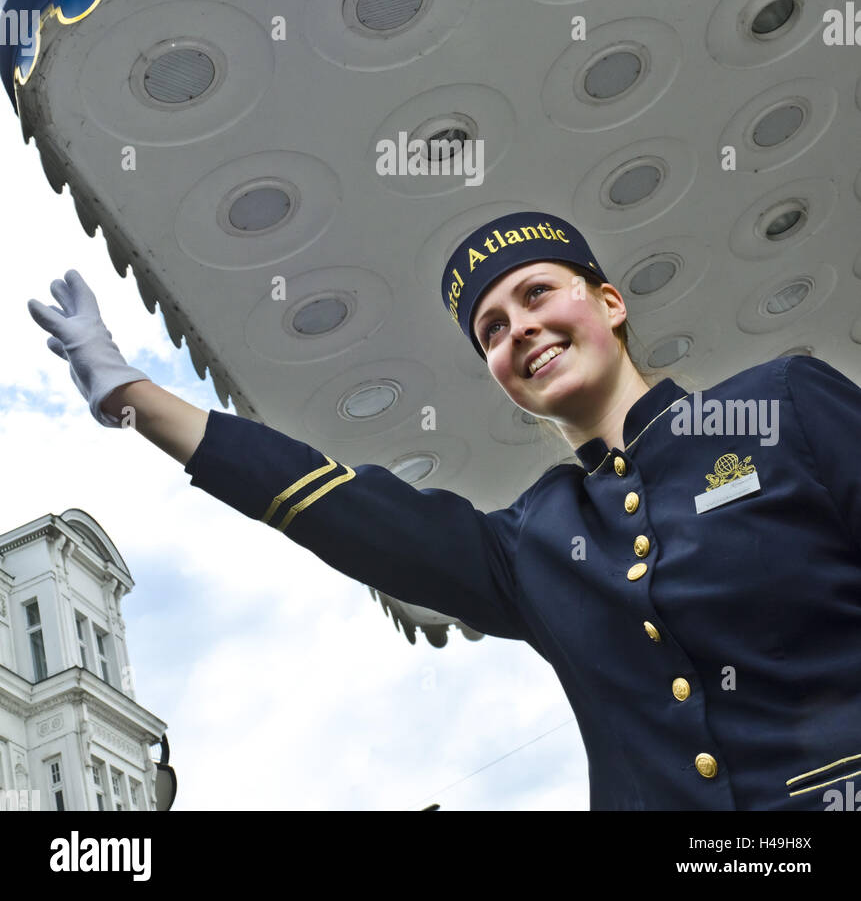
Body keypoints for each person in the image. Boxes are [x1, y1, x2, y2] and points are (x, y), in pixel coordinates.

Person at [28, 210, 861, 812]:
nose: (520, 330)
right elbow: (343, 507)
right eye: (492, 330)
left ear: (608, 302)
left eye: (538, 294)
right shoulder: (535, 539)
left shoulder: (782, 408)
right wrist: (135, 398)